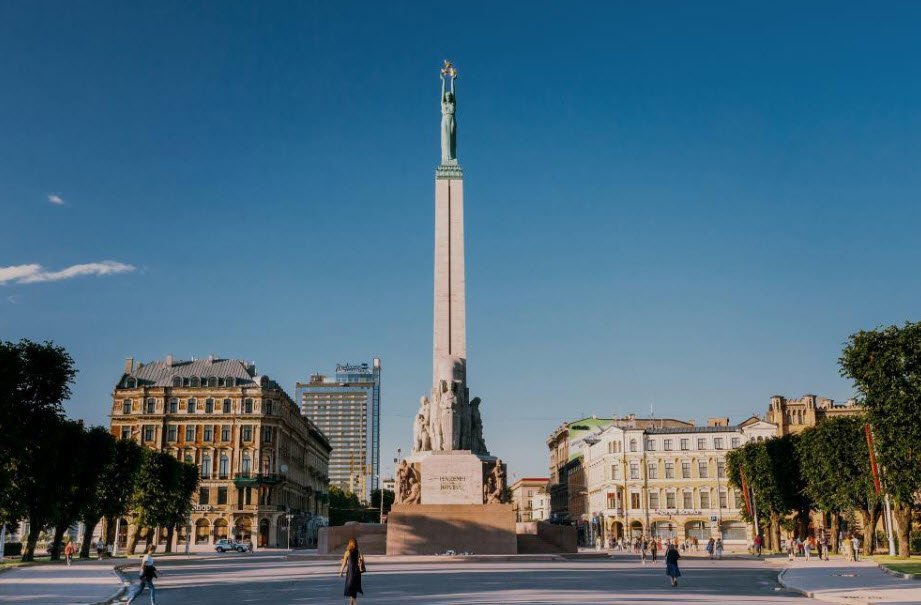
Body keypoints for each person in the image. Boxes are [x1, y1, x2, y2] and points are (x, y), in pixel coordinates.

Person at [339, 537, 365, 604]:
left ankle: (354, 603)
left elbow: (344, 563)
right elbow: (361, 560)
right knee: (353, 591)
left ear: (349, 544)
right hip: (357, 573)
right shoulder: (358, 551)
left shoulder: (347, 552)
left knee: (352, 591)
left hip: (351, 573)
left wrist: (341, 572)